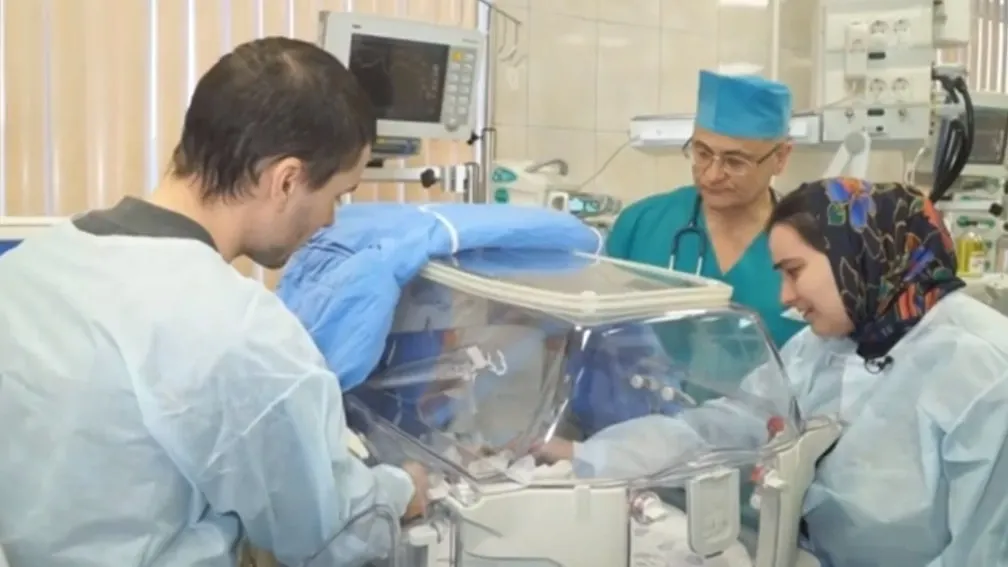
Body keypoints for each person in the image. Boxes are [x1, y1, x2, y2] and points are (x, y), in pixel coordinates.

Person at [0, 37, 429, 567]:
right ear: (286, 180)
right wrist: (401, 491)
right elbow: (326, 531)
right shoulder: (236, 328)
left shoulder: (30, 266)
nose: (330, 220)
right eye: (337, 195)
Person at [539, 178, 1008, 566]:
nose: (785, 296)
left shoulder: (982, 368)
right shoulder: (823, 346)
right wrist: (591, 457)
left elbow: (986, 550)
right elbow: (724, 427)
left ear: (859, 256)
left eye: (794, 271)